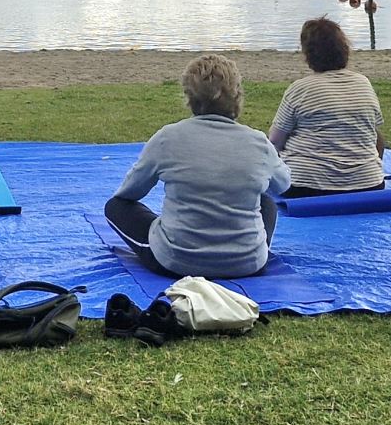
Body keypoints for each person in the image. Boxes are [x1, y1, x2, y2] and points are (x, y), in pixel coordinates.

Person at [105, 54, 290, 279]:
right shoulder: (259, 142)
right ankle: (245, 246)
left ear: (189, 97)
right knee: (266, 201)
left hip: (176, 262)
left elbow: (128, 193)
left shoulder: (167, 138)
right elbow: (283, 185)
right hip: (248, 263)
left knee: (115, 207)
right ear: (237, 96)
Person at [268, 16, 386, 196]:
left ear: (308, 54)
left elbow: (275, 142)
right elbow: (375, 135)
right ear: (344, 49)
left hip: (306, 187)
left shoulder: (300, 89)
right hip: (369, 184)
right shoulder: (363, 83)